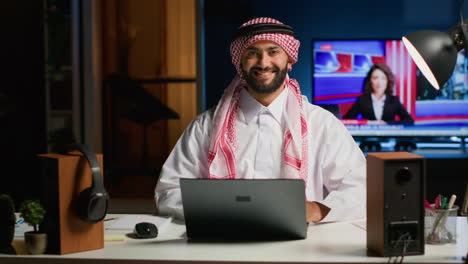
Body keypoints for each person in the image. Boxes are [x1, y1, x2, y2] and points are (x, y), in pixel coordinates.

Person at [155, 17, 366, 223]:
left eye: (273, 52)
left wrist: (313, 210)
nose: (263, 63)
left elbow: (361, 189)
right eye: (252, 53)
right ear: (240, 62)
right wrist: (223, 212)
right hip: (223, 246)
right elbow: (169, 191)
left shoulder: (321, 124)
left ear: (290, 60)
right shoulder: (206, 125)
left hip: (302, 249)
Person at [343, 63, 414, 125]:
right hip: (368, 138)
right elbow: (346, 121)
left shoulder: (394, 100)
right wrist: (368, 123)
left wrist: (387, 124)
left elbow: (409, 121)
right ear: (370, 81)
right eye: (375, 78)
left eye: (383, 78)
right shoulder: (362, 100)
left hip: (389, 138)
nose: (379, 82)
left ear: (388, 81)